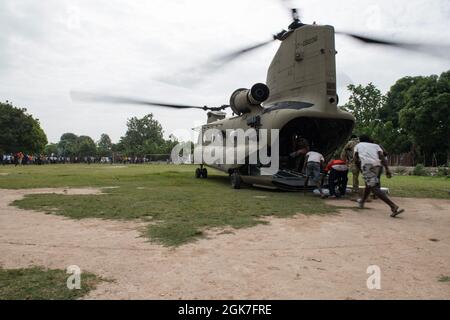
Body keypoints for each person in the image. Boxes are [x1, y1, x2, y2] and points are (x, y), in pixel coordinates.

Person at [354, 135, 405, 218]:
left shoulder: (358, 145)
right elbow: (382, 156)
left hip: (367, 166)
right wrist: (387, 169)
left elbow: (356, 159)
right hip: (378, 166)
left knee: (374, 187)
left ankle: (393, 206)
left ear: (360, 140)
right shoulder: (376, 146)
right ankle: (362, 201)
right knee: (369, 185)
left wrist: (360, 169)